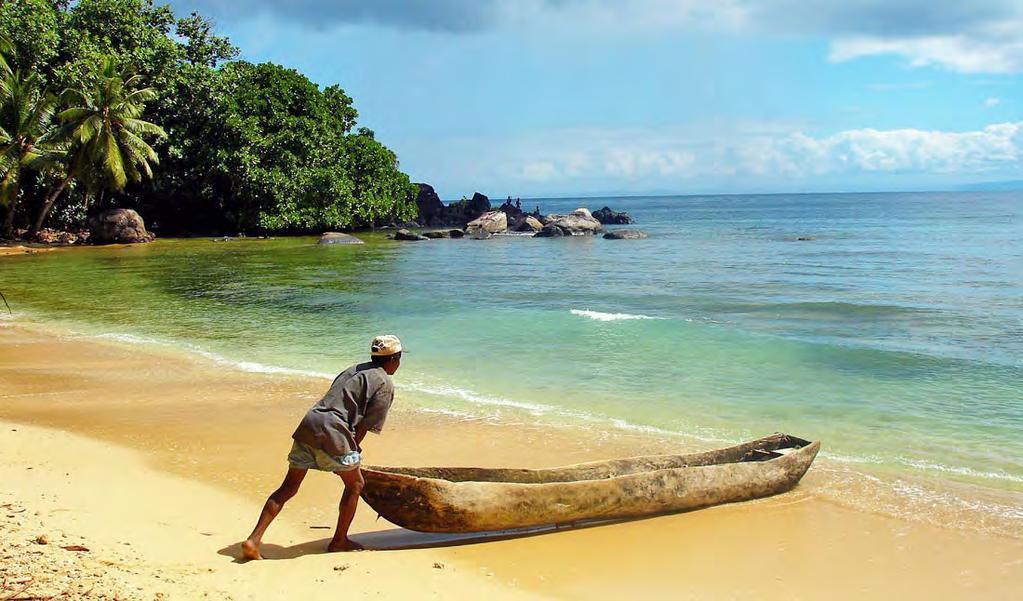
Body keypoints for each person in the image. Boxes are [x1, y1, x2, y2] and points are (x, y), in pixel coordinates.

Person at [241, 335, 404, 560]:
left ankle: (253, 540)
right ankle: (339, 541)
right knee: (355, 484)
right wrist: (353, 450)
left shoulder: (353, 369)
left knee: (288, 487)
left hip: (310, 422)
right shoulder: (384, 383)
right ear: (394, 359)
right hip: (334, 430)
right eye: (399, 358)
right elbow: (365, 425)